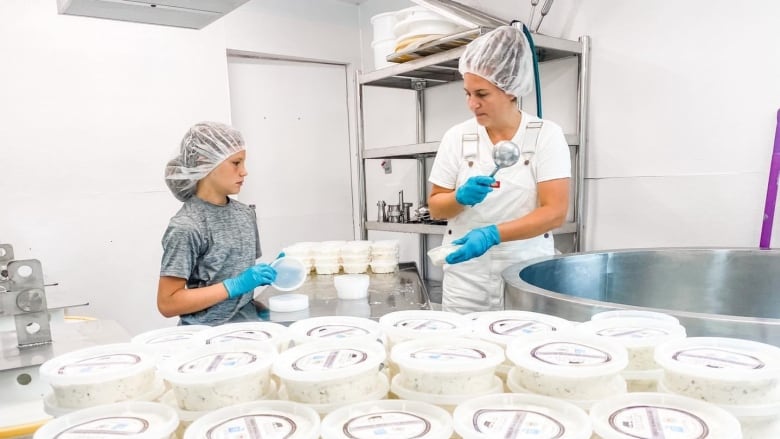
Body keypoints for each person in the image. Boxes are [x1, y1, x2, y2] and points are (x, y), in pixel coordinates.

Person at [427, 25, 571, 314]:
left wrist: (492, 234)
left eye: (482, 93)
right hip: (466, 276)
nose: (472, 104)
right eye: (467, 93)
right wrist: (459, 198)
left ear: (511, 90)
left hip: (525, 272)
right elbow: (436, 209)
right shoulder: (457, 137)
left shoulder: (545, 135)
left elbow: (554, 212)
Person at [157, 121, 277, 325]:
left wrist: (275, 270)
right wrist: (234, 285)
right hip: (204, 338)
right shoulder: (187, 225)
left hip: (248, 330)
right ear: (206, 163)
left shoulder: (246, 215)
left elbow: (238, 273)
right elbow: (168, 303)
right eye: (236, 163)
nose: (244, 171)